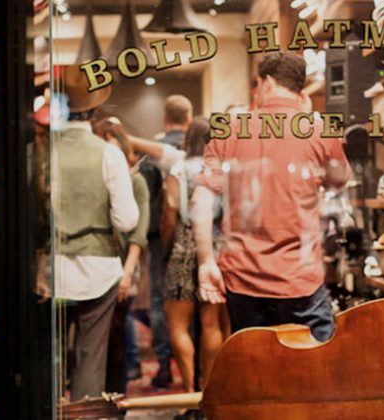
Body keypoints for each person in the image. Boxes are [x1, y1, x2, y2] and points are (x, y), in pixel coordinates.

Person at [192, 51, 351, 342]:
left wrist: (205, 261)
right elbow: (339, 182)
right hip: (300, 278)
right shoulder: (319, 130)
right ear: (300, 90)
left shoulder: (228, 130)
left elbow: (201, 198)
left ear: (266, 83)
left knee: (255, 362)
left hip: (243, 278)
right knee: (319, 362)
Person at [53, 65, 139, 401]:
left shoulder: (40, 150)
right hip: (97, 269)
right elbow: (126, 220)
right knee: (90, 358)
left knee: (51, 356)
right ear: (94, 110)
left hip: (51, 269)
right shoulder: (109, 154)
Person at [161, 116, 225, 392]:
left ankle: (189, 392)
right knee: (212, 324)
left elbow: (169, 213)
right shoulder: (220, 168)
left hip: (184, 243)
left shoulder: (179, 169)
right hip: (216, 244)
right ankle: (210, 391)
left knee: (178, 325)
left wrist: (166, 248)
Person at [93, 116, 150, 393]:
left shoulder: (135, 181)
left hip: (122, 267)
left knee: (116, 336)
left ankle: (116, 398)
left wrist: (127, 273)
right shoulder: (97, 181)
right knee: (99, 340)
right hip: (99, 264)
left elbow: (139, 234)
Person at [140, 94, 193, 388]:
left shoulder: (152, 153)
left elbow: (146, 198)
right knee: (191, 300)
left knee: (161, 300)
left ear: (164, 118)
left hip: (159, 237)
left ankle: (163, 365)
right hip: (193, 238)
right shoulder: (198, 148)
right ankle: (192, 368)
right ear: (189, 117)